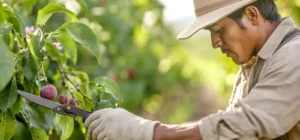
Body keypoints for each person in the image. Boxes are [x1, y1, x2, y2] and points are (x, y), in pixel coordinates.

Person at [84, 0, 300, 139]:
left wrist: (147, 132)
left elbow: (245, 124)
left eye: (219, 30)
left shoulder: (294, 55)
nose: (215, 43)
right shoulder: (253, 66)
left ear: (252, 15)